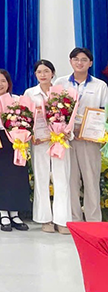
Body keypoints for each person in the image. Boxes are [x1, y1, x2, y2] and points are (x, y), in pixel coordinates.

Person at [54, 47, 108, 223]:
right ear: (70, 62)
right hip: (65, 138)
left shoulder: (100, 86)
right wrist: (66, 130)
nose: (80, 63)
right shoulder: (61, 83)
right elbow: (53, 110)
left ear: (90, 63)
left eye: (84, 60)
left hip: (89, 138)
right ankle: (74, 220)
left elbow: (104, 112)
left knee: (91, 180)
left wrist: (91, 131)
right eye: (76, 59)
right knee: (71, 181)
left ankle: (93, 221)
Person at [24, 60, 71, 234]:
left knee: (62, 179)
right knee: (41, 179)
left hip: (59, 142)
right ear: (35, 75)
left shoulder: (62, 93)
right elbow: (25, 119)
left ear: (53, 73)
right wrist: (30, 136)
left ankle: (62, 220)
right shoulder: (30, 93)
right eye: (39, 72)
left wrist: (67, 133)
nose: (43, 75)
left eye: (46, 71)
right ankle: (45, 219)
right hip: (40, 143)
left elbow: (70, 117)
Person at [0, 69, 31, 232]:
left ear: (8, 84)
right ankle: (3, 214)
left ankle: (15, 214)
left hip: (16, 141)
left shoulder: (17, 100)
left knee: (17, 176)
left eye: (3, 81)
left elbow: (26, 120)